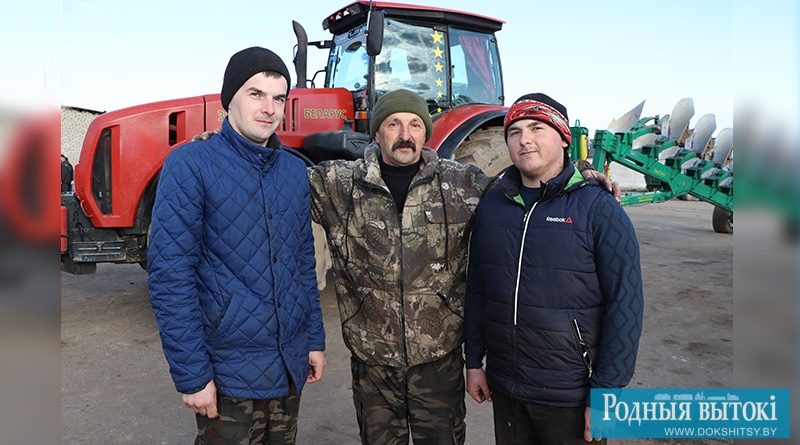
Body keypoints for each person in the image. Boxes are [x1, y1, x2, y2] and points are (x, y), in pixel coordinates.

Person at [307, 89, 617, 445]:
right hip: (373, 361)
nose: (405, 134)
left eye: (414, 124)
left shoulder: (461, 183)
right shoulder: (338, 185)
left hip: (438, 361)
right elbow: (279, 184)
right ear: (377, 133)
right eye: (393, 124)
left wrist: (578, 172)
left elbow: (526, 181)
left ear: (426, 132)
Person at [147, 46, 326, 445]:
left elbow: (302, 262)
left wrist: (313, 339)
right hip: (229, 372)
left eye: (279, 97)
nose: (269, 108)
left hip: (287, 367)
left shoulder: (294, 172)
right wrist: (193, 375)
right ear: (230, 100)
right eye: (255, 94)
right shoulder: (191, 165)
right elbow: (171, 278)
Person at [464, 93, 644, 444]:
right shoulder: (493, 205)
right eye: (513, 132)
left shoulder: (598, 208)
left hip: (570, 394)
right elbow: (478, 287)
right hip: (508, 388)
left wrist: (606, 392)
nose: (524, 139)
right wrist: (474, 361)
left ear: (563, 136)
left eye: (536, 128)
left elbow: (626, 306)